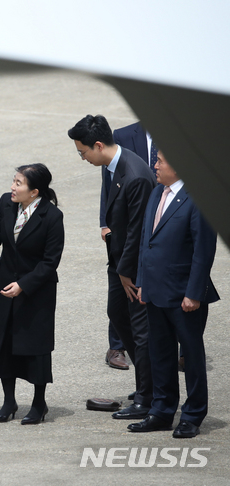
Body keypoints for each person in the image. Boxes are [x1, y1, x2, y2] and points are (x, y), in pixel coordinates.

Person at [68, 115, 155, 420]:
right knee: (118, 315)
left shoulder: (135, 176)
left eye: (83, 152)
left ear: (99, 145)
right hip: (120, 263)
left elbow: (138, 232)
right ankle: (147, 383)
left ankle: (148, 397)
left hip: (135, 268)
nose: (83, 158)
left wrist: (125, 272)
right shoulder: (114, 166)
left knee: (141, 330)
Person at [128, 150, 219, 438]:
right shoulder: (157, 193)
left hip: (184, 296)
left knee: (190, 356)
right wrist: (142, 281)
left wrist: (193, 293)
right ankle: (162, 410)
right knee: (160, 354)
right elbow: (147, 241)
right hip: (155, 291)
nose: (154, 165)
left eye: (160, 162)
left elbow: (203, 253)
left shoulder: (198, 200)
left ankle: (192, 415)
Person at [0, 164, 64, 424]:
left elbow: (50, 262)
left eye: (19, 184)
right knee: (4, 341)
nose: (12, 188)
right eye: (13, 181)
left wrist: (24, 285)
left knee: (35, 346)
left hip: (35, 291)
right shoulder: (7, 203)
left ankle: (39, 404)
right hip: (5, 285)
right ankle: (9, 402)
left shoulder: (51, 216)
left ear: (34, 191)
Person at [101, 122, 157, 371]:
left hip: (161, 221)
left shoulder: (183, 133)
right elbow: (109, 182)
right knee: (120, 309)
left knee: (142, 317)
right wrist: (105, 221)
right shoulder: (123, 136)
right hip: (125, 233)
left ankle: (149, 385)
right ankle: (118, 347)